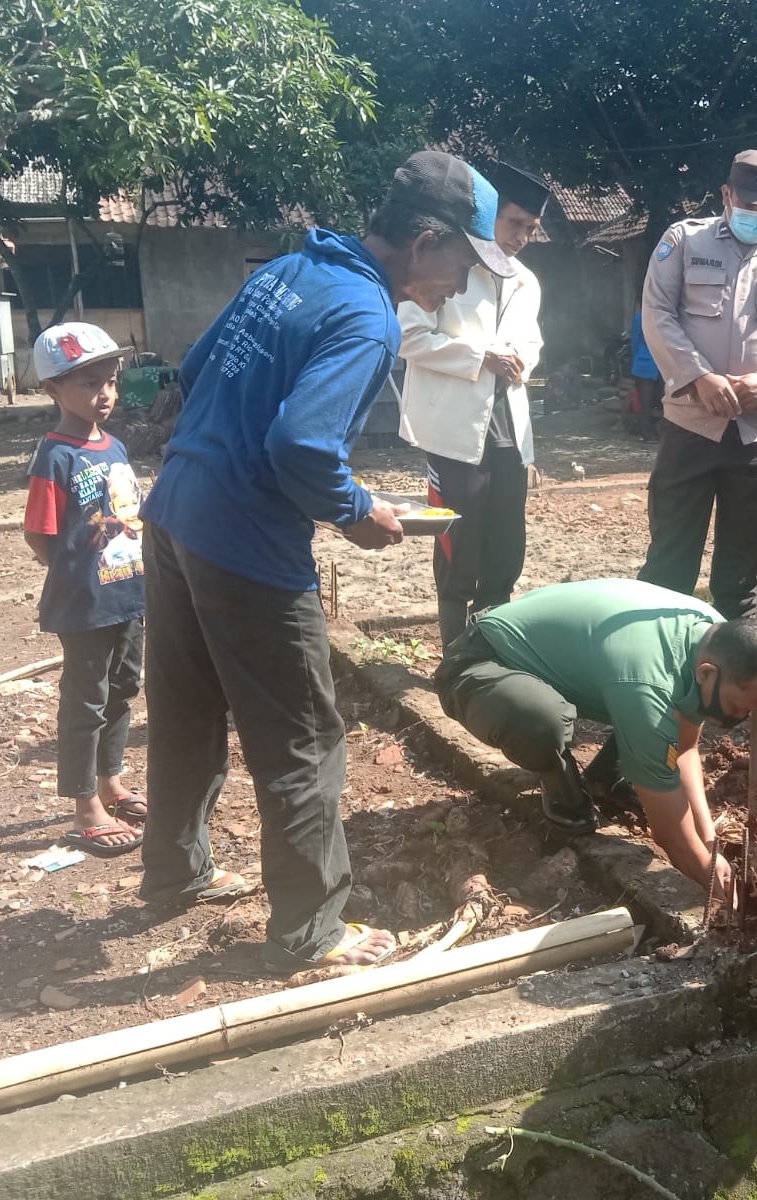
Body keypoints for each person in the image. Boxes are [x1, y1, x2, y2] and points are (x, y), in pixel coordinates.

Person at [139, 150, 516, 971]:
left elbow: (196, 370)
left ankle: (174, 871)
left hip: (175, 511)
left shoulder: (288, 270)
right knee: (306, 736)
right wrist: (354, 510)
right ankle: (312, 930)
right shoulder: (368, 314)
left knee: (187, 706)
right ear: (423, 242)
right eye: (462, 262)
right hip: (245, 540)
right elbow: (302, 444)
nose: (463, 284)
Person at [433, 579, 757, 903]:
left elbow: (684, 748)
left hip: (552, 657)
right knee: (543, 723)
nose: (738, 718)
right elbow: (668, 833)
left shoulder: (711, 634)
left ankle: (606, 780)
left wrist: (709, 839)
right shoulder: (647, 683)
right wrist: (708, 876)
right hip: (479, 662)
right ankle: (563, 792)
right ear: (707, 673)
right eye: (735, 705)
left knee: (654, 725)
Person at [638, 149, 757, 618]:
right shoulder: (683, 240)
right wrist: (698, 377)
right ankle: (661, 658)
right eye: (750, 206)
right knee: (670, 559)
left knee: (746, 569)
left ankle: (735, 668)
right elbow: (656, 312)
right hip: (692, 424)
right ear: (727, 195)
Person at [399, 162, 549, 650]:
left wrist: (522, 358)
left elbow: (533, 342)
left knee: (506, 544)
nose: (523, 236)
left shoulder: (527, 280)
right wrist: (478, 356)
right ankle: (453, 652)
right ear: (489, 218)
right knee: (457, 542)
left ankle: (492, 647)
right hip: (453, 429)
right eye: (514, 224)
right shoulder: (448, 265)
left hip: (508, 426)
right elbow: (408, 336)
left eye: (531, 228)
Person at [22, 323, 145, 857]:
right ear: (53, 389)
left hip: (128, 593)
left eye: (111, 381)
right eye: (88, 383)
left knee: (122, 692)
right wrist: (74, 575)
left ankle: (110, 782)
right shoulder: (55, 456)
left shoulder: (113, 445)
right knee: (85, 701)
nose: (105, 394)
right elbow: (38, 531)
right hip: (85, 602)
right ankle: (83, 805)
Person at [630, 309, 665, 440]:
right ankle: (651, 432)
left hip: (643, 363)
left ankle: (647, 433)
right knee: (659, 400)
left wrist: (635, 359)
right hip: (659, 363)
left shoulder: (639, 317)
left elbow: (634, 341)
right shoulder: (664, 316)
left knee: (646, 402)